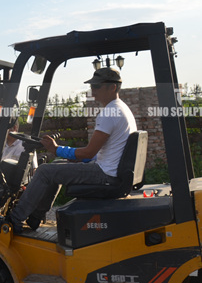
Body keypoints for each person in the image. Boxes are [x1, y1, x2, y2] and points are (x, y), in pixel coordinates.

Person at [9, 68, 136, 232]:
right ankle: (35, 217)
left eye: (97, 86)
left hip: (105, 174)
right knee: (57, 165)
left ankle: (14, 218)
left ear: (112, 87)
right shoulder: (121, 109)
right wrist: (72, 157)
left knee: (44, 171)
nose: (93, 90)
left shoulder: (110, 113)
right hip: (110, 169)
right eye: (92, 86)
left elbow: (89, 152)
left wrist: (56, 149)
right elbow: (99, 153)